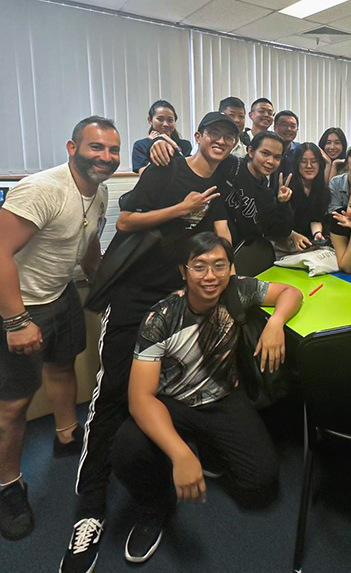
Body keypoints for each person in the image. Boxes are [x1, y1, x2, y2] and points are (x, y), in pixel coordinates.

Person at [61, 112, 239, 573]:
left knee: (163, 398)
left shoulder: (219, 185)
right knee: (114, 396)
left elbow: (219, 235)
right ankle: (90, 510)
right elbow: (126, 222)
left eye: (229, 136)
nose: (220, 141)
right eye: (213, 134)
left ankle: (153, 501)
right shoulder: (166, 165)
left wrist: (228, 270)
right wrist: (181, 208)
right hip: (136, 298)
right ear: (196, 137)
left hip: (180, 301)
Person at [0, 116, 119, 541]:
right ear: (72, 149)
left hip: (59, 296)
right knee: (13, 405)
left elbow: (87, 246)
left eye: (112, 150)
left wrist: (106, 285)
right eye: (96, 148)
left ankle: (66, 435)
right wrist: (16, 322)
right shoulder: (42, 189)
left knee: (61, 367)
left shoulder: (100, 191)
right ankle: (10, 488)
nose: (105, 158)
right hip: (9, 308)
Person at [112, 232, 303, 565]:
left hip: (223, 399)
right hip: (173, 404)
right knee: (127, 446)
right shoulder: (160, 319)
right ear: (183, 272)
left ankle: (210, 448)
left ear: (231, 269)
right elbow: (140, 399)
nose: (211, 276)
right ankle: (153, 507)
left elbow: (291, 292)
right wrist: (180, 454)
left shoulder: (237, 290)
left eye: (219, 265)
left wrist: (276, 322)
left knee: (260, 486)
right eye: (199, 267)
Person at [223, 132, 295, 248]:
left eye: (277, 157)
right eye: (265, 153)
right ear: (251, 151)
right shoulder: (230, 166)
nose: (270, 161)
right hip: (213, 246)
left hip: (243, 254)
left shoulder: (266, 193)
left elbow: (280, 232)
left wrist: (283, 203)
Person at [287, 142, 330, 248]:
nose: (309, 166)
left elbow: (316, 218)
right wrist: (292, 234)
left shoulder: (322, 189)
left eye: (314, 161)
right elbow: (278, 223)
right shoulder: (286, 186)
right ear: (297, 163)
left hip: (309, 244)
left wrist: (317, 233)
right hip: (286, 243)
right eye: (303, 161)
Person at [132, 101, 191, 173]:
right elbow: (144, 175)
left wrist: (172, 144)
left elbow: (187, 171)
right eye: (160, 119)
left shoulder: (185, 145)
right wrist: (154, 142)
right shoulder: (141, 146)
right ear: (150, 120)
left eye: (170, 120)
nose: (165, 124)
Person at [273, 110, 300, 176]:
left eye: (292, 126)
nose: (289, 129)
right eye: (284, 125)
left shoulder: (300, 150)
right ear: (275, 127)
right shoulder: (267, 148)